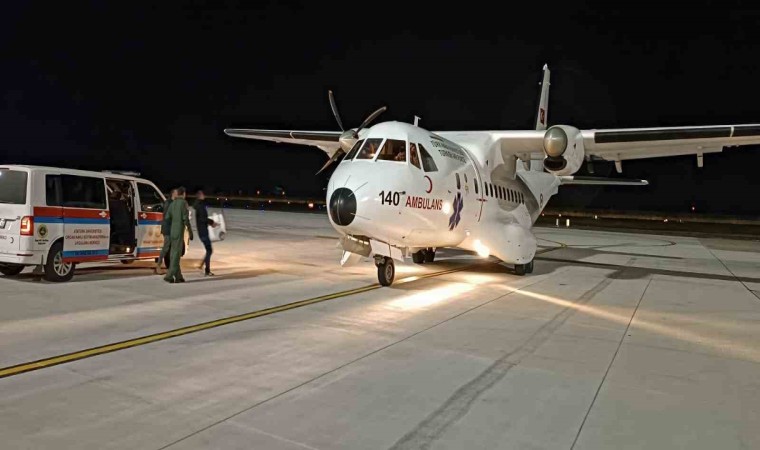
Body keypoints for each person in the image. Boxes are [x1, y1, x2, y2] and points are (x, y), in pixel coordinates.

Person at [163, 187, 193, 283]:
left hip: (172, 231)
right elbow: (186, 219)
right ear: (183, 194)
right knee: (176, 254)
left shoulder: (173, 203)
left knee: (173, 253)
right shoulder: (183, 203)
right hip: (179, 231)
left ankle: (178, 276)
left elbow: (167, 217)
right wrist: (190, 231)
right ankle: (169, 275)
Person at [193, 189, 216, 276]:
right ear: (200, 196)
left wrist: (210, 222)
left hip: (201, 230)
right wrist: (212, 222)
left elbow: (201, 219)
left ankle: (202, 265)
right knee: (209, 250)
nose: (204, 195)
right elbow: (203, 219)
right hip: (203, 232)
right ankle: (207, 270)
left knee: (208, 250)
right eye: (203, 194)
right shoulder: (200, 205)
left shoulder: (198, 205)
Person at [156, 189, 177, 274]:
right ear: (172, 193)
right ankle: (158, 266)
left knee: (170, 248)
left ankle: (170, 266)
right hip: (168, 228)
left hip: (170, 228)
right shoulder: (169, 203)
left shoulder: (171, 202)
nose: (177, 194)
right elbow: (168, 216)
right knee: (166, 248)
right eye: (176, 192)